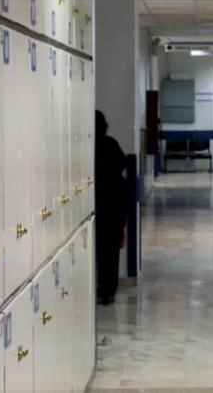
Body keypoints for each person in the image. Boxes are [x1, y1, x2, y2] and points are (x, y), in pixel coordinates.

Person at [95, 110, 129, 305]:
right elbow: (122, 164)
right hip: (115, 206)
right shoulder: (110, 143)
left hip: (97, 206)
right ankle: (109, 290)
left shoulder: (88, 146)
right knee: (111, 251)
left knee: (98, 250)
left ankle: (100, 287)